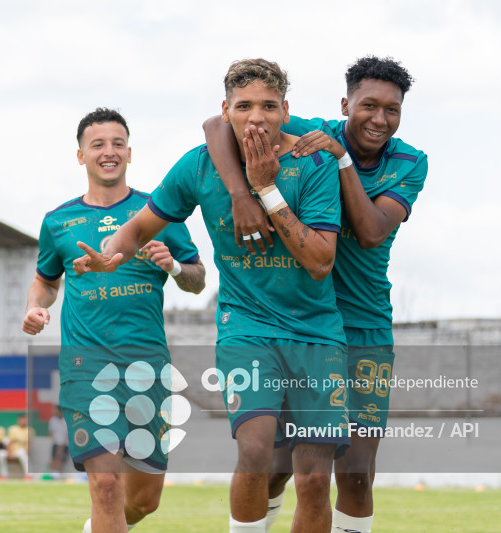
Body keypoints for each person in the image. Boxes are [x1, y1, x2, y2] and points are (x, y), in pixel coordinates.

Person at [73, 59, 348, 533]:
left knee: (313, 478)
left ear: (286, 110)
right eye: (243, 107)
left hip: (317, 333)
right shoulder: (199, 167)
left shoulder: (314, 164)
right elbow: (139, 226)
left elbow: (321, 260)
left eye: (268, 106)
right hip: (246, 328)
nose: (256, 118)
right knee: (256, 450)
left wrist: (263, 192)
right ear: (226, 110)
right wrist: (110, 252)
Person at [205, 55, 428, 533]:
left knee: (357, 474)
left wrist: (341, 158)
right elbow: (216, 125)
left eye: (393, 109)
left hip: (363, 325)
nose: (379, 118)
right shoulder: (310, 130)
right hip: (301, 323)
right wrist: (242, 196)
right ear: (346, 104)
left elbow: (369, 232)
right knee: (279, 468)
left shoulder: (410, 162)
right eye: (368, 105)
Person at [22, 107, 205, 533]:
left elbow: (197, 281)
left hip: (147, 371)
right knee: (106, 486)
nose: (109, 152)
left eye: (117, 143)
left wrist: (175, 267)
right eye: (98, 144)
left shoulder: (159, 213)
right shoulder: (58, 221)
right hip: (87, 368)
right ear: (81, 155)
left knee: (142, 500)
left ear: (129, 152)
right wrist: (36, 307)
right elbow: (45, 280)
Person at [5, 414, 34, 478]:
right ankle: (4, 475)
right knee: (1, 455)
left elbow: (28, 443)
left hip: (22, 451)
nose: (24, 421)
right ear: (18, 420)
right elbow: (8, 442)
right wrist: (9, 453)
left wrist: (27, 452)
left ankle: (28, 475)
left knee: (22, 453)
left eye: (25, 420)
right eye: (22, 420)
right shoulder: (12, 429)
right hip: (12, 451)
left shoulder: (29, 430)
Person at [48, 404, 69, 476]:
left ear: (60, 411)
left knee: (60, 459)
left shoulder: (66, 420)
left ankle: (57, 475)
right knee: (54, 458)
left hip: (64, 444)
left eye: (55, 410)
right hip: (56, 443)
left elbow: (67, 434)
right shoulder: (52, 420)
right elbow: (51, 432)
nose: (53, 411)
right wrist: (55, 442)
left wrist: (62, 445)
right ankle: (54, 474)